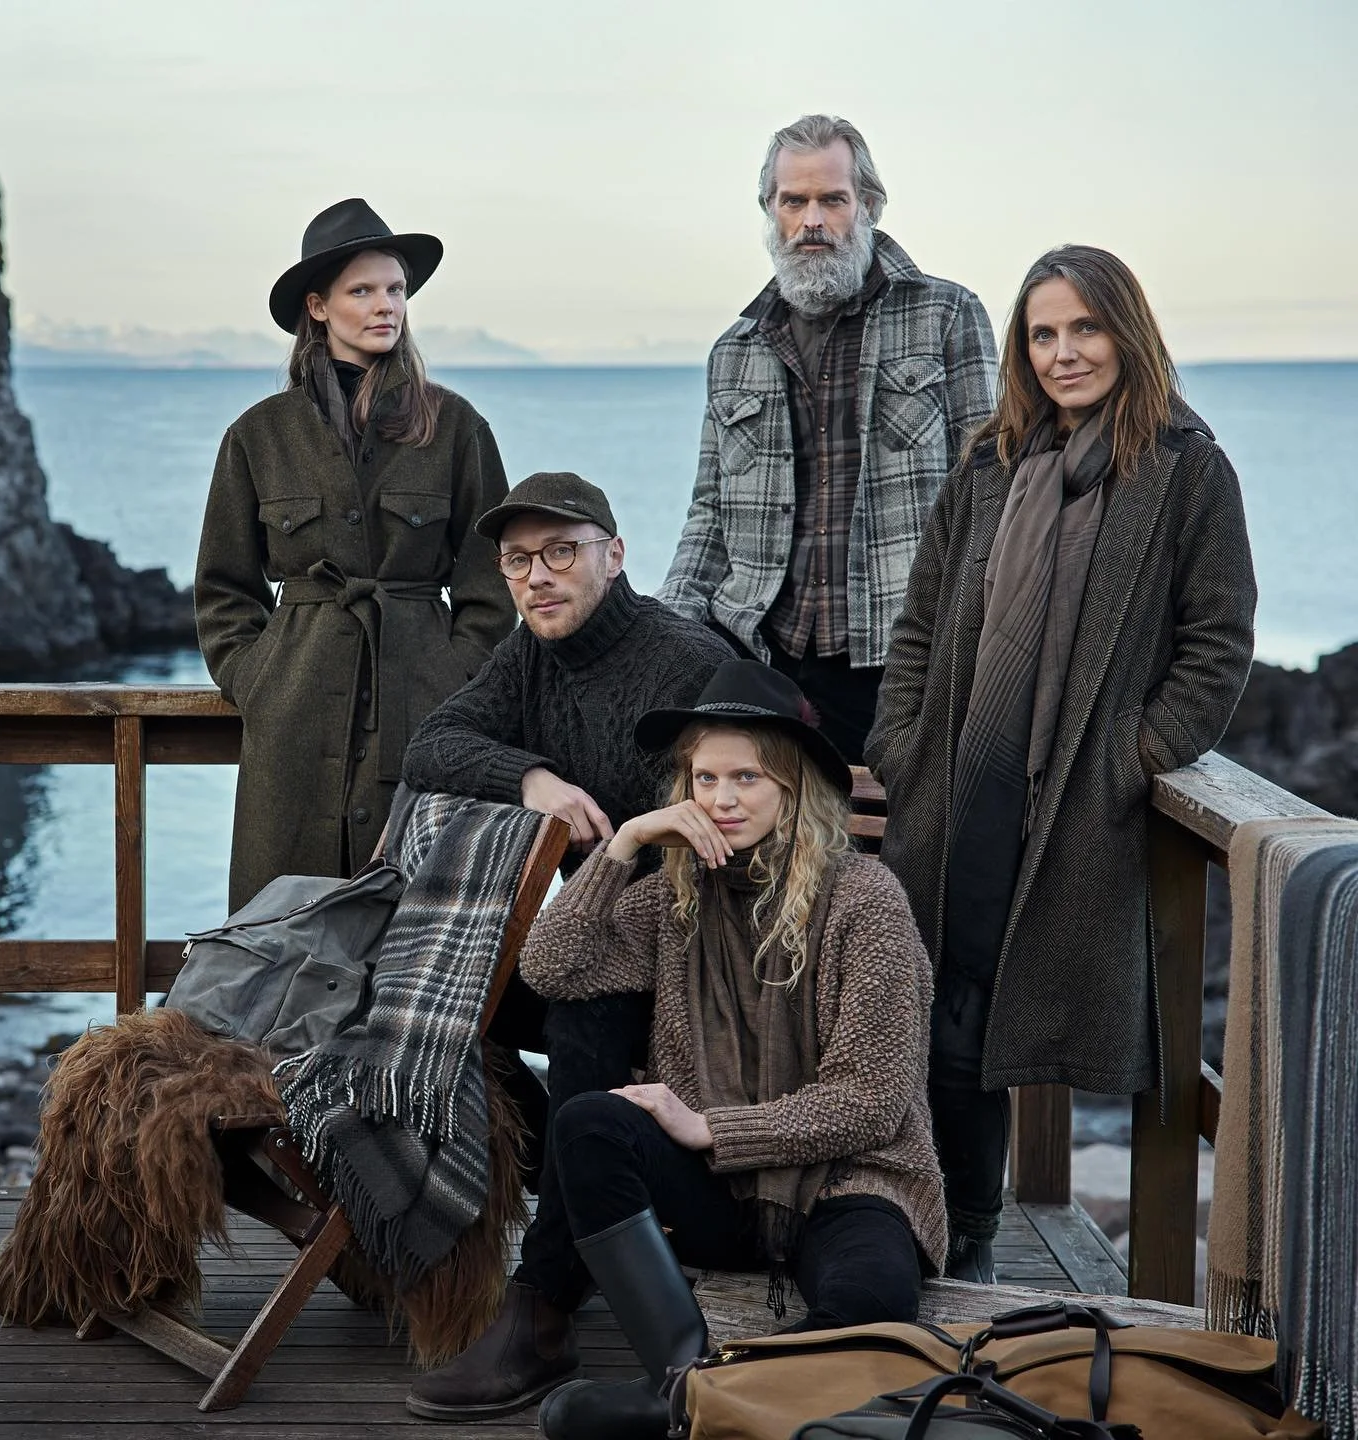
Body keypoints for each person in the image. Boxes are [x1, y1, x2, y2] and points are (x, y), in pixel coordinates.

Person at [866, 245, 1257, 1283]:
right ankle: (957, 1232)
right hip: (961, 789)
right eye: (1044, 333)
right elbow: (920, 623)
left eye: (1085, 328)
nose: (1064, 352)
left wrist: (1136, 757)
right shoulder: (992, 461)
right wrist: (902, 749)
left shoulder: (1186, 470)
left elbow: (1217, 643)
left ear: (1128, 333)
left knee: (1019, 1018)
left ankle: (983, 1242)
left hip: (1082, 803)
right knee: (949, 1020)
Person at [500, 660, 944, 1440]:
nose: (723, 799)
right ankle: (680, 1372)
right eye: (704, 779)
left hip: (846, 1186)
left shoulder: (866, 900)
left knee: (874, 1303)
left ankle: (698, 1405)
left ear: (793, 786)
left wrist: (713, 1128)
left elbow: (872, 1099)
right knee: (586, 1126)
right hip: (725, 1195)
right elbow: (551, 968)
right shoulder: (676, 896)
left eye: (746, 777)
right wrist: (627, 841)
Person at [403, 471, 734, 1421]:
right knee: (455, 1003)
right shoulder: (534, 653)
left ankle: (544, 1305)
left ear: (614, 556)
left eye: (561, 553)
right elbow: (436, 741)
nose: (538, 577)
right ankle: (584, 1187)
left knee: (585, 1008)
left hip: (707, 946)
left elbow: (761, 797)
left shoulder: (682, 662)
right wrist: (533, 776)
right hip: (606, 929)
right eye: (517, 560)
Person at [194, 199, 513, 910]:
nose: (386, 306)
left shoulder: (455, 426)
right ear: (318, 306)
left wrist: (455, 676)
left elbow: (493, 582)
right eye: (362, 291)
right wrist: (258, 680)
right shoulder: (258, 436)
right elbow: (223, 588)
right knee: (280, 929)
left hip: (422, 706)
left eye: (395, 289)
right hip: (294, 712)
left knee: (412, 925)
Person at [658, 114, 997, 763]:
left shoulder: (947, 315)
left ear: (866, 205)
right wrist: (664, 635)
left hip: (898, 663)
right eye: (794, 201)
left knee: (892, 858)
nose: (811, 220)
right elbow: (708, 516)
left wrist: (972, 649)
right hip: (758, 658)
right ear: (770, 210)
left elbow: (993, 497)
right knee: (755, 857)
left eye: (831, 199)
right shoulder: (734, 350)